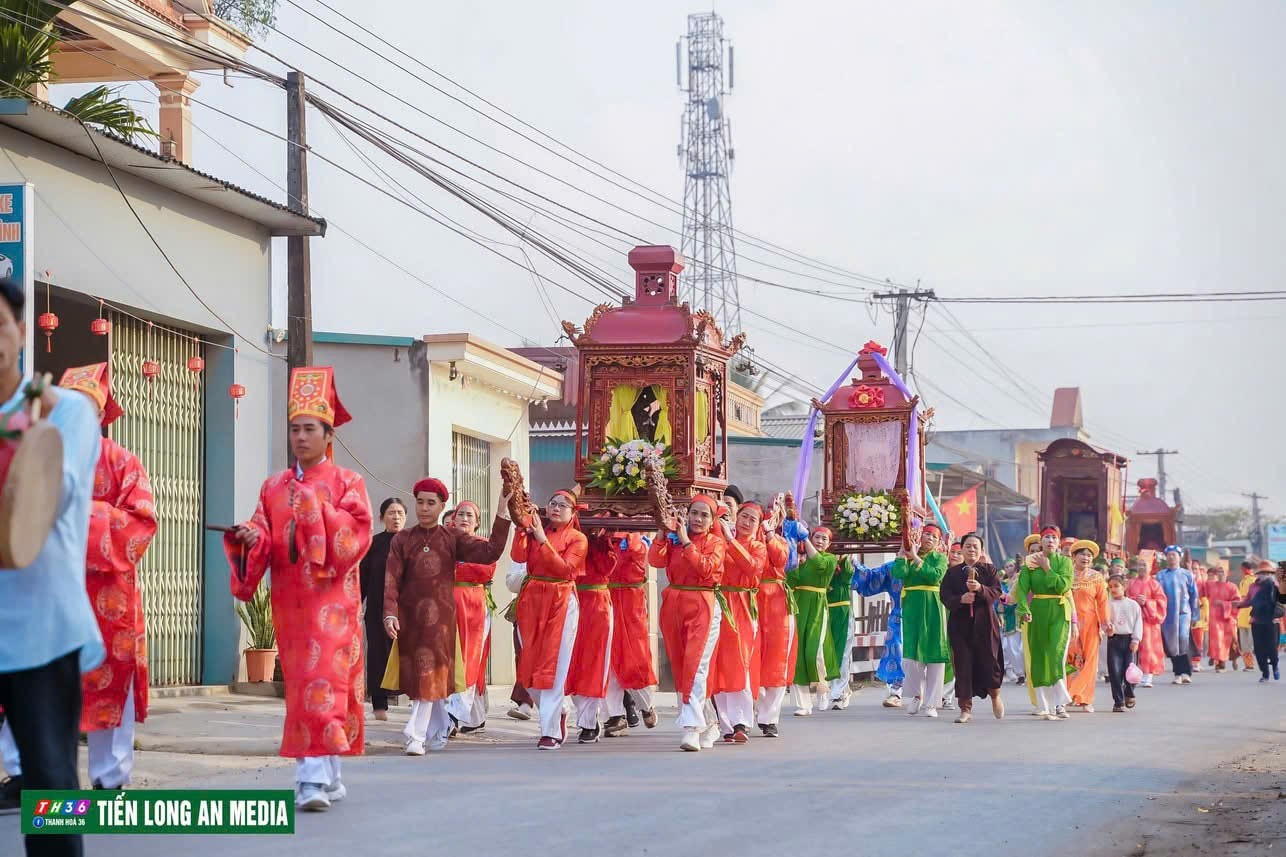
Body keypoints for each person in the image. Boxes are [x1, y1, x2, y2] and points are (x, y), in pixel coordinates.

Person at [225, 366, 372, 811]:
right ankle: (328, 774)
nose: (300, 437)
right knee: (306, 685)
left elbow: (356, 535)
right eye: (294, 429)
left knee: (322, 682)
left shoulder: (348, 483)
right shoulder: (273, 486)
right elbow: (264, 532)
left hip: (332, 604)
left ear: (328, 435)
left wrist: (313, 507)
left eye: (309, 429)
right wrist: (252, 538)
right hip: (290, 602)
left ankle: (311, 779)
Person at [0, 277, 104, 856]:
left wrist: (25, 431)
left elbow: (54, 498)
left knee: (52, 795)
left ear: (19, 332)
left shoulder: (65, 412)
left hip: (41, 629)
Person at [385, 480, 511, 755]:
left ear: (443, 507)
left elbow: (491, 551)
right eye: (420, 502)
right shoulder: (402, 539)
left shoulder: (451, 538)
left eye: (432, 503)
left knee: (427, 676)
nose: (425, 508)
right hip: (410, 618)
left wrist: (502, 510)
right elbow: (391, 579)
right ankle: (439, 727)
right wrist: (390, 613)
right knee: (422, 678)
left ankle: (415, 735)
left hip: (441, 620)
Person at [509, 490, 586, 750]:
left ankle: (550, 731)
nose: (556, 508)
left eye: (563, 505)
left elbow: (566, 569)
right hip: (531, 601)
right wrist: (522, 529)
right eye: (553, 503)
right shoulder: (534, 531)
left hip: (561, 600)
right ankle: (558, 710)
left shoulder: (578, 539)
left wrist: (542, 540)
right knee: (528, 667)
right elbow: (518, 557)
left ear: (573, 513)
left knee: (555, 666)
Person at [650, 496, 727, 752]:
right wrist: (663, 531)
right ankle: (711, 721)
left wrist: (685, 542)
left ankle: (691, 728)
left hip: (703, 604)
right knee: (683, 667)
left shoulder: (716, 542)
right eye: (694, 513)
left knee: (696, 665)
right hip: (674, 603)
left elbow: (707, 569)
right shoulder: (674, 539)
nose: (697, 519)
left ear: (713, 520)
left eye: (704, 515)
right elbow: (655, 561)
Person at [710, 499, 765, 743]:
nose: (746, 522)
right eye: (744, 517)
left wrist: (731, 541)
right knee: (718, 663)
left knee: (740, 661)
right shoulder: (719, 540)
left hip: (742, 605)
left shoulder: (758, 547)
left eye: (752, 519)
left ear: (758, 525)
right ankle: (725, 724)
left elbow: (752, 568)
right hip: (720, 602)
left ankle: (742, 720)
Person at [940, 533, 1005, 722]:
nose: (972, 550)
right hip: (960, 626)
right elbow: (944, 595)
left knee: (990, 662)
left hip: (985, 624)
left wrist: (980, 589)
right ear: (961, 549)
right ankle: (965, 708)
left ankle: (995, 696)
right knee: (963, 665)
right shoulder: (952, 573)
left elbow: (997, 592)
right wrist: (960, 599)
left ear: (981, 550)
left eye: (975, 546)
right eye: (968, 546)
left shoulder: (989, 571)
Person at [445, 501, 497, 735]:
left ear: (477, 522)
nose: (464, 518)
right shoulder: (443, 543)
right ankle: (474, 717)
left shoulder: (483, 545)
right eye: (460, 514)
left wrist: (457, 568)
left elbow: (485, 571)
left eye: (470, 515)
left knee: (469, 657)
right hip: (446, 604)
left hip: (472, 603)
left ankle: (454, 714)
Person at [1013, 526, 1074, 720]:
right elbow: (1022, 588)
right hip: (1038, 609)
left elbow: (1063, 585)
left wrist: (1047, 567)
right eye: (1046, 537)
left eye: (1053, 538)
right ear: (1041, 541)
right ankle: (1043, 705)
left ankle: (1060, 703)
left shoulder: (1065, 562)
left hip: (1058, 609)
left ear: (1058, 542)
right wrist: (1024, 608)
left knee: (1056, 655)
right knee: (1038, 656)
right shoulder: (1030, 563)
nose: (1050, 541)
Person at [891, 523, 950, 719]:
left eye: (933, 537)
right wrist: (902, 553)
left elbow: (934, 577)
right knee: (911, 656)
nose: (929, 539)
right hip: (912, 608)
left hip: (933, 607)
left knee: (935, 655)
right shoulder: (908, 556)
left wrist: (915, 558)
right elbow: (899, 574)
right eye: (926, 534)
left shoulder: (940, 558)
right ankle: (916, 695)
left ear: (938, 542)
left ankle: (932, 703)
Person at [754, 500, 803, 735]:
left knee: (777, 658)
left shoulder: (783, 540)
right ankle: (753, 704)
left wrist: (770, 535)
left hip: (777, 601)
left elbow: (784, 560)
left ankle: (769, 718)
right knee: (752, 655)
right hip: (751, 598)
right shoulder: (748, 542)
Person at [603, 532, 658, 736]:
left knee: (634, 657)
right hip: (605, 596)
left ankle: (646, 704)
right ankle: (615, 715)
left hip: (631, 599)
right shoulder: (600, 533)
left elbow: (640, 559)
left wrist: (631, 538)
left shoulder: (638, 538)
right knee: (608, 659)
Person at [566, 528, 614, 744]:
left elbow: (609, 567)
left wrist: (602, 542)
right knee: (570, 663)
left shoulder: (603, 541)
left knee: (594, 662)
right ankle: (583, 715)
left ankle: (589, 720)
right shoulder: (565, 537)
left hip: (597, 603)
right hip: (569, 599)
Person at [360, 497, 406, 721]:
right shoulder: (373, 544)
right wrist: (356, 604)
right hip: (377, 609)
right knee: (378, 656)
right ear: (381, 518)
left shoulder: (413, 542)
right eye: (391, 513)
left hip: (407, 610)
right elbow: (362, 578)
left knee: (409, 656)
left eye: (399, 513)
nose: (396, 517)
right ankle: (379, 706)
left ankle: (418, 705)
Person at [787, 527, 838, 717]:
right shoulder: (799, 560)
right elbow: (790, 581)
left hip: (817, 607)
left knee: (814, 652)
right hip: (800, 606)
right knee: (798, 654)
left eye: (824, 539)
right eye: (817, 537)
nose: (820, 541)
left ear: (829, 544)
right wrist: (795, 565)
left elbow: (819, 564)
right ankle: (803, 704)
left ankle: (822, 689)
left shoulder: (830, 560)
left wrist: (805, 540)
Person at [851, 556, 905, 706]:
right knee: (896, 651)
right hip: (898, 616)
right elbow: (870, 578)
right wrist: (854, 565)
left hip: (925, 617)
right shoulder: (892, 567)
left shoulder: (932, 564)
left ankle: (931, 694)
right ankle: (896, 692)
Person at [1066, 540, 1110, 712]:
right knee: (1071, 659)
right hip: (1069, 622)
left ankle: (1085, 698)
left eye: (1089, 555)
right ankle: (1069, 695)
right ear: (1074, 557)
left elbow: (1103, 601)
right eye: (1082, 554)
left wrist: (1106, 622)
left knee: (1090, 660)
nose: (1085, 558)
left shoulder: (1096, 577)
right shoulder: (1066, 574)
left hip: (1091, 624)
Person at [1155, 546, 1199, 684]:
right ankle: (1177, 672)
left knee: (1183, 638)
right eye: (1168, 555)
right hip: (1167, 614)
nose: (1171, 557)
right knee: (1171, 642)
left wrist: (1195, 616)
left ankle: (1187, 671)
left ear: (1179, 557)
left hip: (1183, 613)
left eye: (1174, 555)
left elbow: (1194, 596)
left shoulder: (1187, 575)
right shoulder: (1161, 575)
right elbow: (1156, 594)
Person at [1234, 561, 1281, 682]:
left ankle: (1275, 666)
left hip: (1271, 621)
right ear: (1258, 574)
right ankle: (1265, 673)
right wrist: (1238, 605)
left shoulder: (1276, 586)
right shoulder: (1253, 587)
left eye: (1268, 573)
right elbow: (1249, 601)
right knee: (1259, 649)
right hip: (1257, 620)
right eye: (1263, 573)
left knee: (1271, 648)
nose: (1266, 575)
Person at [824, 537, 856, 711]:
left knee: (843, 654)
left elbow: (848, 574)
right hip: (826, 613)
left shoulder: (845, 567)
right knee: (828, 652)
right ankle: (835, 689)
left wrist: (844, 558)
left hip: (843, 613)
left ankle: (837, 694)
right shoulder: (824, 565)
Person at [1126, 557, 1168, 688]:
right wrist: (1134, 600)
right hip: (1133, 620)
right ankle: (1131, 674)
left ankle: (1147, 674)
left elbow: (1162, 601)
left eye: (1145, 565)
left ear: (1150, 567)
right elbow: (1125, 598)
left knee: (1148, 648)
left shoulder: (1155, 584)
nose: (1142, 568)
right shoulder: (1130, 583)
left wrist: (1148, 602)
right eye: (1140, 565)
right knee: (1132, 647)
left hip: (1149, 621)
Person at [1104, 575, 1142, 712]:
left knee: (1130, 671)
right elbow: (1104, 621)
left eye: (1116, 586)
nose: (1113, 589)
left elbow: (1138, 623)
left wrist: (1136, 640)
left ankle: (1129, 693)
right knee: (1115, 672)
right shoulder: (1107, 604)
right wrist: (1107, 629)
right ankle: (1118, 701)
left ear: (1124, 587)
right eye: (1110, 587)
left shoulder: (1133, 605)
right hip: (1114, 640)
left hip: (1129, 641)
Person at [1204, 566, 1241, 672]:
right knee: (1217, 641)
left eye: (1222, 571)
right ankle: (1220, 663)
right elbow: (1201, 590)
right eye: (1218, 571)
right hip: (1215, 618)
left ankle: (1233, 659)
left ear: (1227, 573)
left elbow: (1237, 603)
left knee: (1231, 642)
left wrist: (1222, 604)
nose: (1220, 573)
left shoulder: (1232, 587)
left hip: (1228, 618)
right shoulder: (1210, 585)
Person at [999, 554, 1026, 684]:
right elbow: (1000, 600)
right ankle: (1020, 673)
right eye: (1007, 566)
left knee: (1023, 648)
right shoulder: (1003, 583)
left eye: (1012, 566)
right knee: (1012, 648)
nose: (1010, 568)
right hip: (1009, 617)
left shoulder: (1021, 577)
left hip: (1023, 614)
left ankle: (1027, 671)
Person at [1236, 560, 1258, 672]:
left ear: (1244, 569)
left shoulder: (1254, 581)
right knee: (1244, 643)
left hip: (1250, 615)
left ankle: (1251, 664)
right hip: (1242, 615)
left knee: (1249, 643)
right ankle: (1248, 664)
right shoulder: (1242, 581)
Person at [1191, 563, 1210, 672]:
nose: (1194, 571)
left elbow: (1206, 599)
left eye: (1196, 569)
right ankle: (1189, 661)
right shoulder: (1186, 581)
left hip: (1200, 615)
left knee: (1198, 639)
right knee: (1188, 640)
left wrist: (1206, 614)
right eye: (1192, 569)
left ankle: (1196, 662)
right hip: (1187, 615)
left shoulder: (1202, 583)